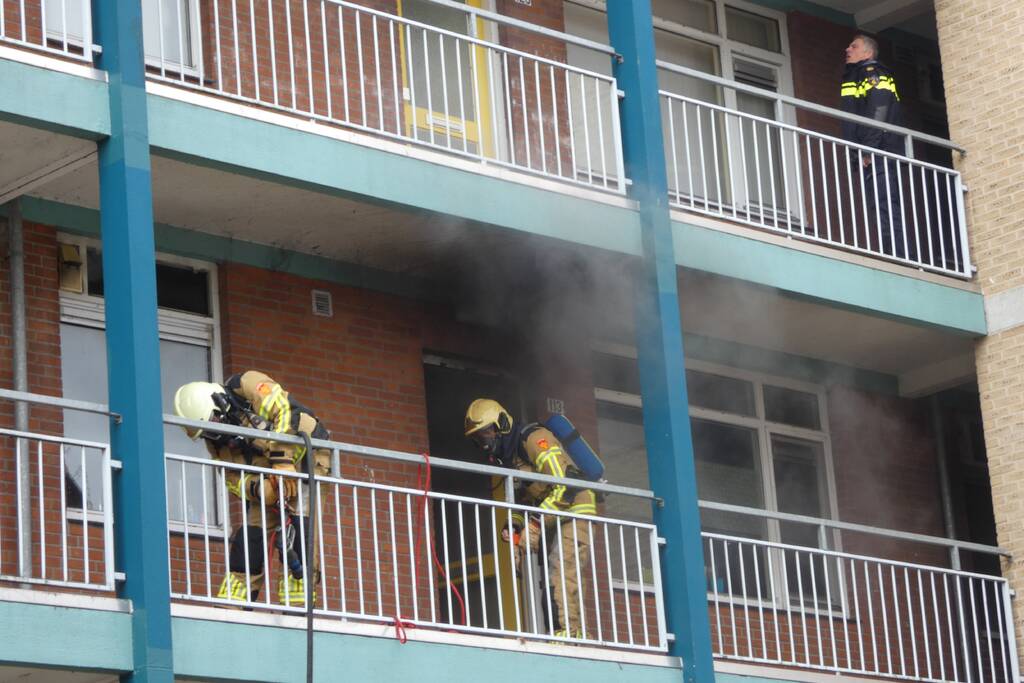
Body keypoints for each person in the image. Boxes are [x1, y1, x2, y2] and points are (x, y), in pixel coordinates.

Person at [174, 371, 331, 607]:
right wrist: (260, 490)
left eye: (213, 425)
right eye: (206, 432)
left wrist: (282, 461)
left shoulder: (248, 386)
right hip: (268, 476)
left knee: (300, 529)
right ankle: (232, 606)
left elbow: (284, 413)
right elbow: (232, 479)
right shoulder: (217, 446)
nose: (213, 434)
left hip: (307, 457)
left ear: (219, 405)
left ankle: (298, 607)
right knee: (250, 539)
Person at [463, 398, 597, 640]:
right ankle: (564, 635)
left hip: (574, 513)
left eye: (485, 435)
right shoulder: (510, 459)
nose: (484, 445)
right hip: (552, 517)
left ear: (501, 424)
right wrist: (513, 527)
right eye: (478, 440)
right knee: (551, 580)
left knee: (562, 574)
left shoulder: (535, 440)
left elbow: (563, 486)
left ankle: (569, 638)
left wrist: (534, 524)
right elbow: (520, 502)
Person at [841, 34, 909, 259]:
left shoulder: (873, 73)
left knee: (885, 203)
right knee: (879, 205)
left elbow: (878, 110)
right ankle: (892, 254)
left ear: (867, 53)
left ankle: (897, 257)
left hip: (880, 151)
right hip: (872, 152)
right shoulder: (856, 75)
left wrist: (869, 148)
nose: (847, 49)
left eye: (854, 46)